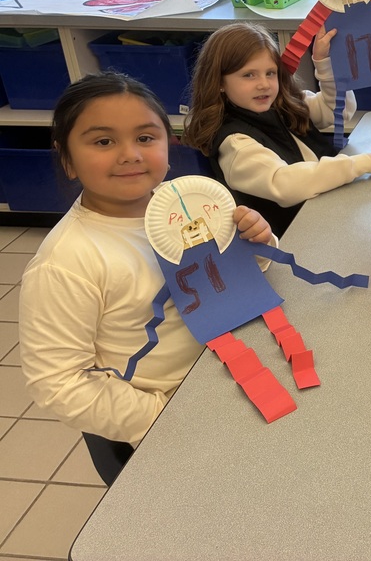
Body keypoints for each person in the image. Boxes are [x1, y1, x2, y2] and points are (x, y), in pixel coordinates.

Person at [19, 72, 275, 486]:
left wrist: (256, 240)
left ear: (167, 146)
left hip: (232, 368)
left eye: (145, 138)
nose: (130, 155)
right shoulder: (66, 263)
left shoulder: (182, 204)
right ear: (67, 159)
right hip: (176, 410)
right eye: (103, 142)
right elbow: (57, 382)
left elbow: (236, 276)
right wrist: (163, 419)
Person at [183, 22, 371, 236]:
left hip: (329, 208)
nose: (263, 83)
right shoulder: (235, 144)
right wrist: (361, 163)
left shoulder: (280, 103)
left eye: (270, 73)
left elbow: (338, 110)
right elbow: (284, 184)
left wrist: (324, 61)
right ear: (219, 82)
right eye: (248, 75)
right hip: (297, 236)